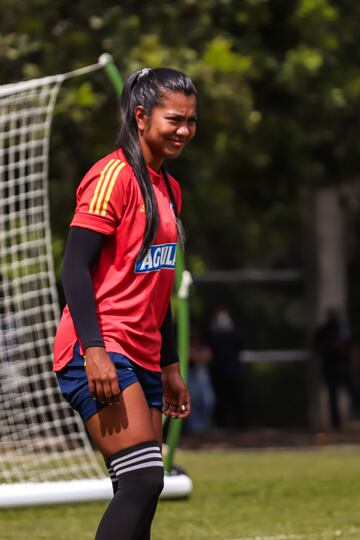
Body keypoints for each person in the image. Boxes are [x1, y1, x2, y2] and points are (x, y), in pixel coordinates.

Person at [53, 67, 197, 540]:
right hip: (99, 347)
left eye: (191, 121)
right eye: (173, 119)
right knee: (142, 479)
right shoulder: (112, 176)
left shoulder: (169, 189)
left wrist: (171, 364)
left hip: (142, 353)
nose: (184, 130)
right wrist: (94, 351)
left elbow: (157, 283)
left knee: (138, 489)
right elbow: (74, 269)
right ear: (140, 116)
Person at [314, 308, 358, 430]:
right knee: (333, 397)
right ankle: (336, 425)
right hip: (330, 368)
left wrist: (353, 361)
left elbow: (351, 346)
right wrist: (331, 347)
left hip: (344, 367)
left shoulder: (344, 330)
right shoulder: (323, 331)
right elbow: (318, 348)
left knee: (354, 392)